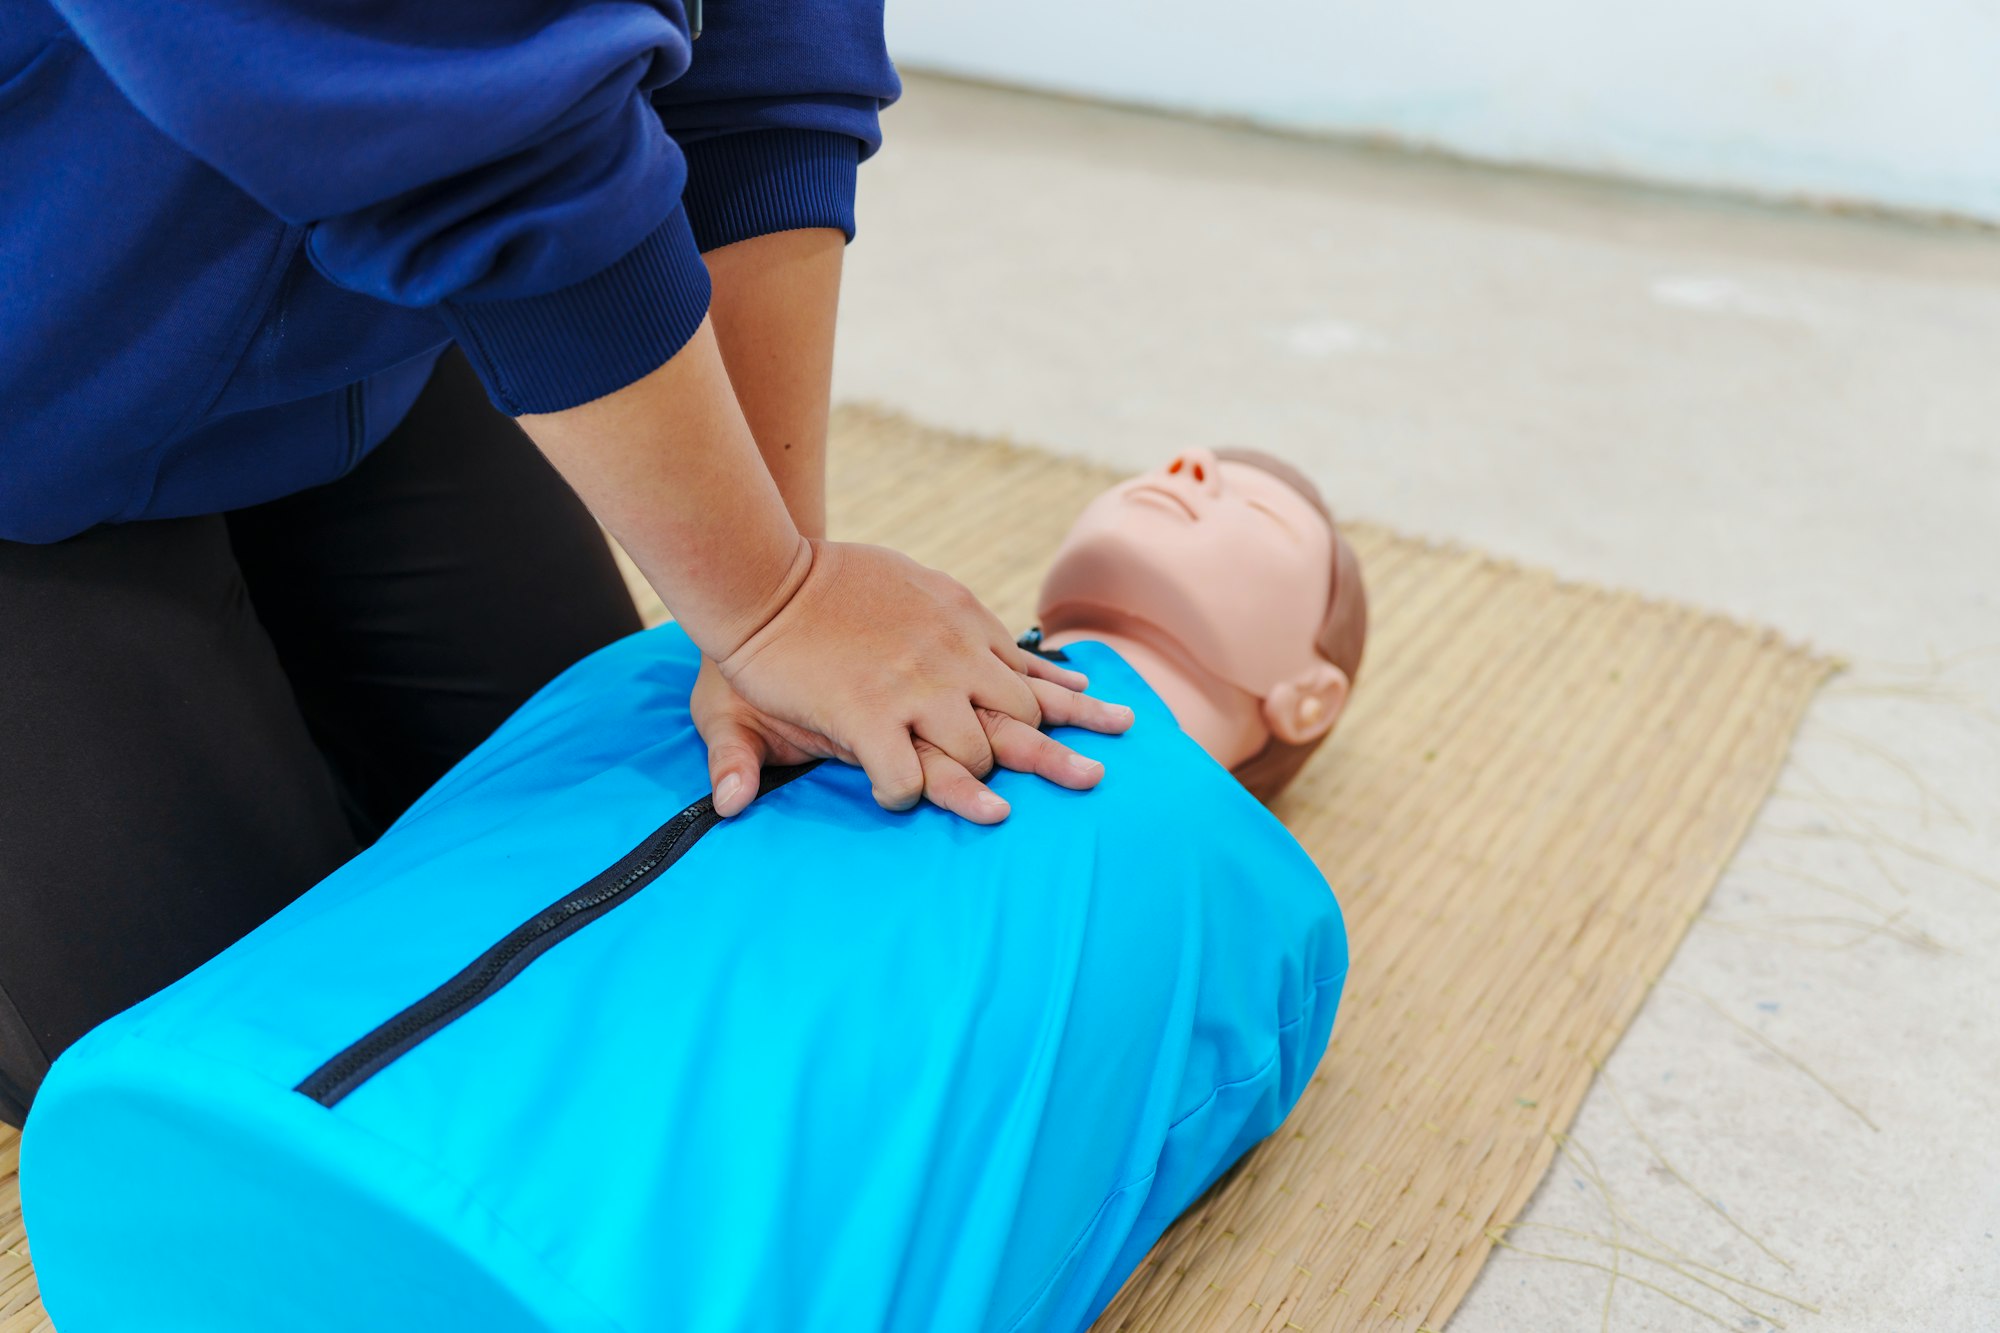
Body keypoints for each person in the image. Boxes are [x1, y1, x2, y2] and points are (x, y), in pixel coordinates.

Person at [0, 0, 1126, 1128]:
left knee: (610, 890)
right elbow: (444, 107)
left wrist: (782, 584)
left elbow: (766, 51)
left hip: (362, 309)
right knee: (225, 1093)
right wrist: (771, 600)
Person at [23, 446, 1367, 1333]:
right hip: (205, 1129)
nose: (1194, 465)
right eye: (1190, 458)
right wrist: (770, 612)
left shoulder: (1257, 909)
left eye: (1255, 502)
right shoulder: (716, 645)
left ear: (1313, 694)